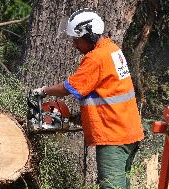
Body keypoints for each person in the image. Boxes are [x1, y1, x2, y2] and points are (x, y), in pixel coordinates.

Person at [32, 9, 144, 189]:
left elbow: (69, 88)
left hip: (113, 137)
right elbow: (107, 95)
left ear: (90, 36)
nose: (74, 45)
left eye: (77, 40)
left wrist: (44, 91)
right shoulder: (112, 50)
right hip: (128, 131)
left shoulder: (96, 58)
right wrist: (78, 118)